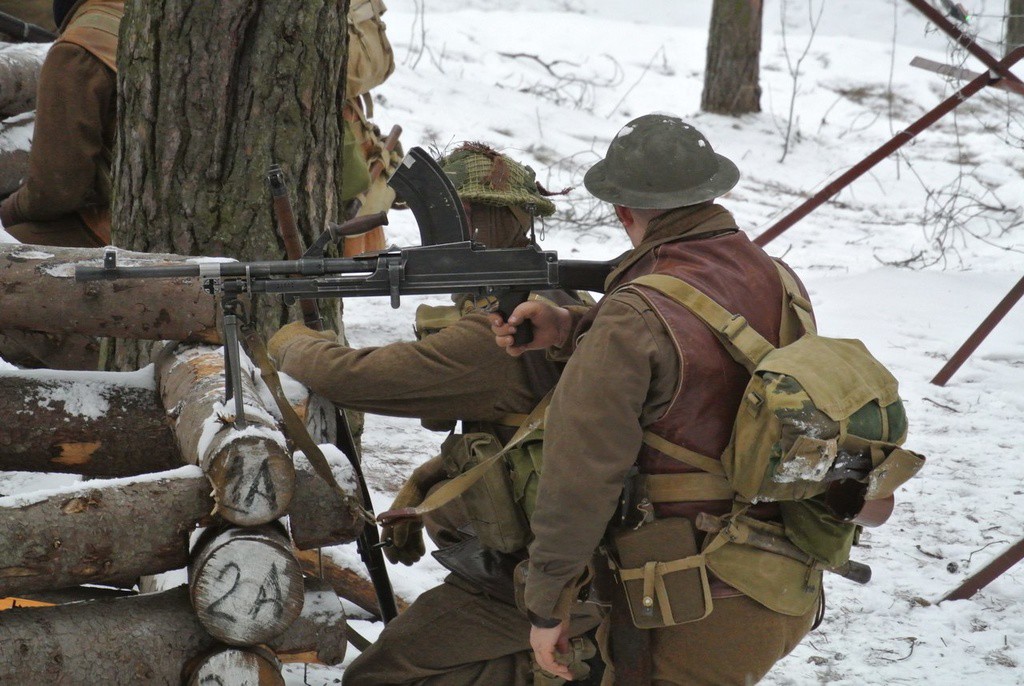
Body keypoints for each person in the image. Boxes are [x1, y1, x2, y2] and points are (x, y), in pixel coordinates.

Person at [491, 114, 820, 685]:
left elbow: (580, 474)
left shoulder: (634, 315)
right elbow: (709, 367)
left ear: (623, 211)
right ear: (711, 192)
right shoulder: (777, 276)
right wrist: (571, 326)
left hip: (693, 599)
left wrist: (546, 604)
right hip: (783, 576)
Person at [267, 144, 603, 686]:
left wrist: (290, 343)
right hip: (556, 564)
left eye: (464, 216)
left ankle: (582, 668)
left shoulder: (508, 331)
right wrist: (428, 492)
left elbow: (359, 378)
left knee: (379, 677)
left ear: (492, 221)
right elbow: (519, 434)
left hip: (551, 584)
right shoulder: (556, 301)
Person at [0, 0, 122, 247]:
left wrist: (8, 211)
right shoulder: (138, 16)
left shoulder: (78, 49)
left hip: (115, 228)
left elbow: (57, 190)